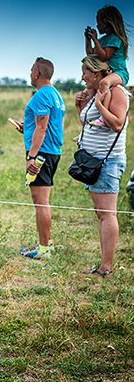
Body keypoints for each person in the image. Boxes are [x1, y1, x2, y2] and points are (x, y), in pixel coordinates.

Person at [75, 55, 129, 277]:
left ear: (97, 73)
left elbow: (116, 124)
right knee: (101, 214)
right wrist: (80, 106)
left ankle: (106, 268)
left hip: (107, 162)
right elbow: (91, 125)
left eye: (85, 73)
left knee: (107, 214)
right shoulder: (96, 93)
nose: (82, 77)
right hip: (93, 162)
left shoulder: (116, 92)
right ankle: (103, 265)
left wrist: (98, 104)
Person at [11, 58, 65, 260]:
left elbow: (42, 128)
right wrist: (27, 129)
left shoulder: (41, 95)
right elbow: (46, 125)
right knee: (42, 201)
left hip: (41, 153)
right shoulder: (55, 94)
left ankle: (43, 249)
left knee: (40, 202)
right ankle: (46, 242)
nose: (29, 73)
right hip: (51, 151)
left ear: (37, 73)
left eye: (31, 69)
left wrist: (31, 157)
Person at [81, 5, 129, 116]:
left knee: (104, 83)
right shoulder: (103, 40)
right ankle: (88, 115)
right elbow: (91, 55)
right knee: (90, 90)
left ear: (107, 23)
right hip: (108, 73)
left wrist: (95, 40)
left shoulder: (115, 38)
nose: (97, 26)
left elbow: (104, 57)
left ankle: (104, 113)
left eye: (99, 23)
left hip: (119, 73)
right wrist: (88, 40)